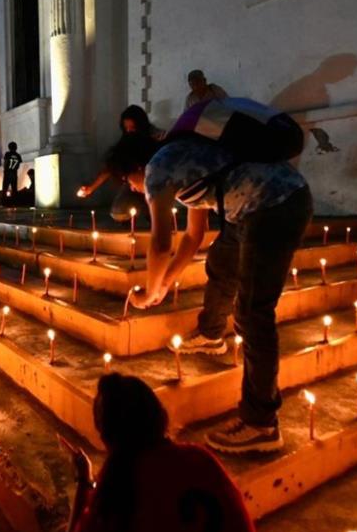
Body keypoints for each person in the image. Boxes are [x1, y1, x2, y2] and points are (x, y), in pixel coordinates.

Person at [107, 99, 312, 454]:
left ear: (137, 166)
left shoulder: (157, 169)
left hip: (274, 205)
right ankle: (212, 333)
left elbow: (160, 243)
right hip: (255, 207)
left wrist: (148, 293)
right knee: (221, 260)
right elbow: (192, 237)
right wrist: (165, 285)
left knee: (252, 313)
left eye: (129, 180)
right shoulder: (183, 156)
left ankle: (261, 423)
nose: (134, 189)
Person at [63, 373, 297, 532]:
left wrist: (83, 480)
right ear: (158, 416)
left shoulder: (120, 481)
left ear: (106, 434)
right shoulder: (200, 458)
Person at [78, 104, 166, 221]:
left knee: (157, 213)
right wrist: (90, 188)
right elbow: (111, 167)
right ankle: (140, 208)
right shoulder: (127, 141)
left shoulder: (157, 138)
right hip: (134, 183)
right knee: (118, 212)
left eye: (133, 128)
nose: (130, 132)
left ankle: (154, 212)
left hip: (155, 183)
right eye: (127, 129)